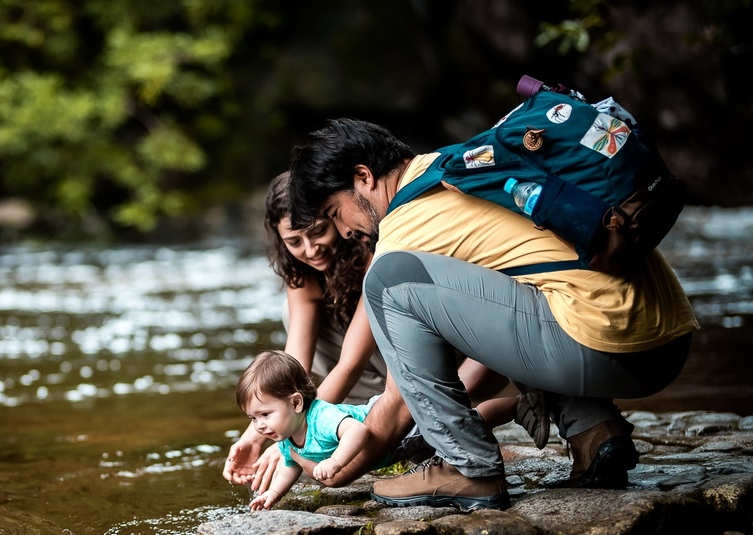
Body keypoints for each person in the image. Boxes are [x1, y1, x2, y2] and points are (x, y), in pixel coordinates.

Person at [286, 118, 698, 510]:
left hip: (615, 349)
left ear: (363, 178)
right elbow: (500, 325)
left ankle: (468, 468)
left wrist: (340, 467)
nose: (343, 233)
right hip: (669, 338)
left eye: (335, 214)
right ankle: (594, 431)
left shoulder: (403, 229)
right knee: (531, 285)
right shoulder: (464, 166)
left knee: (386, 282)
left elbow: (398, 404)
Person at [222, 172, 388, 490]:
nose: (311, 250)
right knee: (291, 313)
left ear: (334, 217)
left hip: (388, 361)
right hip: (349, 381)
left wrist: (299, 434)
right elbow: (292, 369)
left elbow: (350, 363)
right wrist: (255, 436)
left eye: (318, 233)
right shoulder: (300, 270)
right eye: (295, 242)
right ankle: (339, 417)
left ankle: (368, 411)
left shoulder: (368, 248)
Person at [237, 350, 517, 511]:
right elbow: (290, 467)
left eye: (264, 414)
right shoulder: (285, 435)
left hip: (404, 430)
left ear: (296, 402)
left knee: (471, 420)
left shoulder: (321, 417)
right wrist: (273, 494)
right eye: (252, 418)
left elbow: (358, 432)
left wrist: (335, 462)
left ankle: (521, 406)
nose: (259, 425)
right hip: (397, 448)